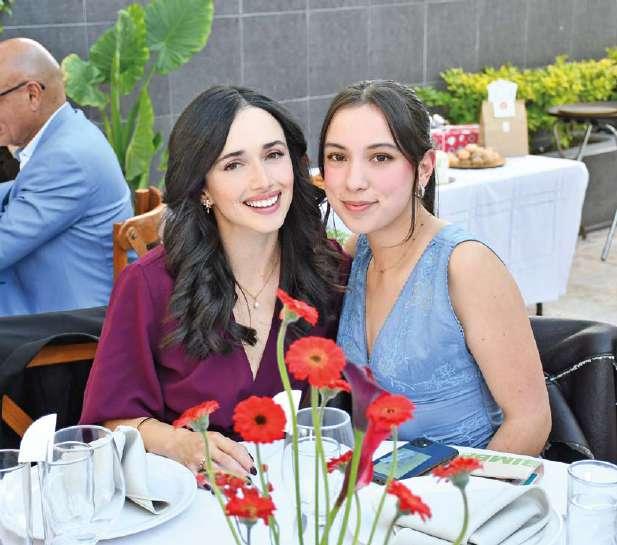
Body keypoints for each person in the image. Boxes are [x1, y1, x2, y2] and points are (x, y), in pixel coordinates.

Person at [80, 86, 346, 476]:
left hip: (310, 493)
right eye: (233, 164)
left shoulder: (331, 271)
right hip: (197, 496)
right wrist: (179, 443)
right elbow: (108, 423)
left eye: (273, 155)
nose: (263, 180)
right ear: (203, 185)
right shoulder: (150, 285)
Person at [319, 80, 551, 455]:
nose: (353, 181)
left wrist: (465, 491)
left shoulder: (465, 266)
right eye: (337, 157)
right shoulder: (356, 253)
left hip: (468, 484)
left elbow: (530, 421)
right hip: (374, 484)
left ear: (424, 167)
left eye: (380, 158)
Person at [0, 38, 132, 316]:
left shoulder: (65, 157)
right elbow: (25, 190)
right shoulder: (70, 131)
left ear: (32, 95)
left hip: (72, 322)